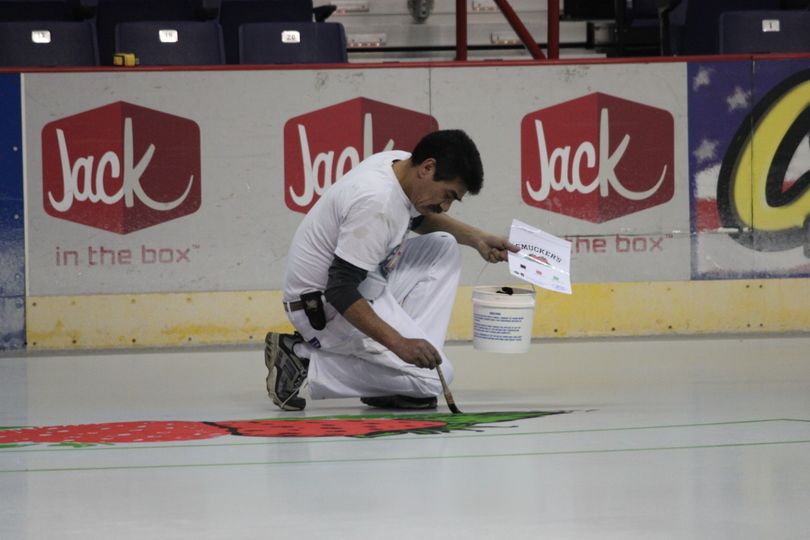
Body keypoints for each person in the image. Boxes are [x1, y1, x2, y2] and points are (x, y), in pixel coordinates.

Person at [265, 129, 517, 411]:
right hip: (323, 309)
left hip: (365, 282)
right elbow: (340, 288)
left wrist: (477, 238)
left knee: (443, 247)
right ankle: (304, 360)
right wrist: (398, 343)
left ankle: (402, 375)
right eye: (448, 195)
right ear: (428, 167)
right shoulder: (377, 203)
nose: (445, 207)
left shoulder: (397, 164)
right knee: (434, 381)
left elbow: (417, 219)